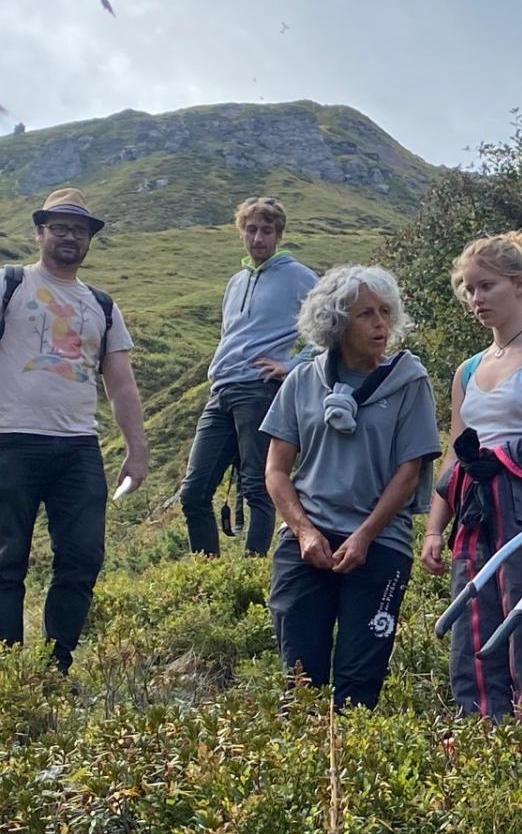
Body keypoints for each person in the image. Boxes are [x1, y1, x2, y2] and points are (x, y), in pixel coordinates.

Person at [261, 265, 441, 708]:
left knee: (360, 680)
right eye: (366, 314)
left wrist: (363, 536)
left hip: (380, 544)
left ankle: (351, 766)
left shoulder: (410, 382)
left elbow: (409, 469)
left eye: (385, 311)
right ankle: (307, 767)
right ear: (337, 322)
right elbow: (276, 471)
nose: (381, 323)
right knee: (300, 678)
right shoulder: (302, 381)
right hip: (307, 542)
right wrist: (303, 531)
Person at [421, 233, 522, 720]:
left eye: (486, 286)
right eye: (468, 289)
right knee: (474, 617)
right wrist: (433, 528)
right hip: (475, 507)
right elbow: (457, 453)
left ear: (518, 284)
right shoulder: (467, 370)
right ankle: (483, 731)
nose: (476, 299)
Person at [0, 188, 148, 672]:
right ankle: (8, 669)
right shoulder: (10, 284)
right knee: (7, 560)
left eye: (79, 231)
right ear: (40, 232)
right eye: (59, 227)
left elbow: (121, 384)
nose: (69, 237)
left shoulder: (102, 305)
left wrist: (137, 448)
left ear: (89, 241)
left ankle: (55, 666)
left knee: (82, 560)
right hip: (11, 440)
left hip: (79, 448)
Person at [179, 196, 318, 556]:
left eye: (267, 231)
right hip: (221, 389)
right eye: (252, 229)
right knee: (193, 491)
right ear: (241, 232)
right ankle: (206, 574)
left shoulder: (298, 276)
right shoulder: (235, 281)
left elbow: (332, 328)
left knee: (257, 485)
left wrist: (292, 365)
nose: (258, 238)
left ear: (279, 235)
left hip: (258, 390)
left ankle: (252, 569)